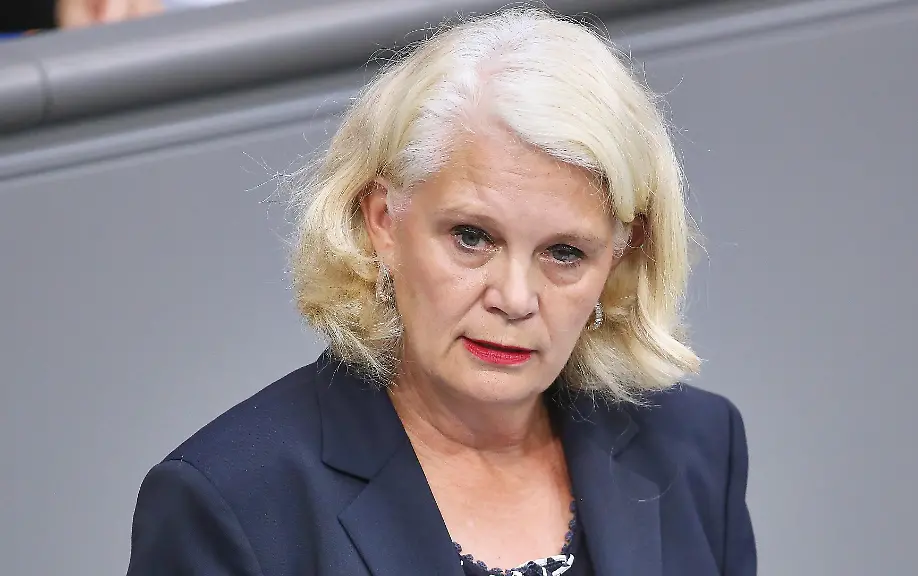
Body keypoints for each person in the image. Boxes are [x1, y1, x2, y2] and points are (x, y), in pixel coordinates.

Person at [126, 7, 756, 576]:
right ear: (383, 222)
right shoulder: (232, 498)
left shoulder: (696, 446)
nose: (514, 298)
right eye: (471, 238)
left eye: (564, 252)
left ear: (620, 256)